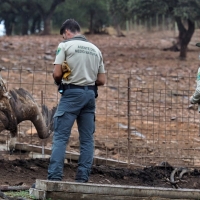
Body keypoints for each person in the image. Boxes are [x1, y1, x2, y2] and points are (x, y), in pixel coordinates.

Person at [47, 19, 106, 183]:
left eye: (64, 36)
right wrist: (87, 80)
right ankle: (82, 179)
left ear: (66, 32)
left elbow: (57, 74)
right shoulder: (96, 49)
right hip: (90, 97)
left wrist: (66, 81)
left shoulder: (64, 46)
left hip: (71, 94)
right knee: (87, 139)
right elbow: (102, 80)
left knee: (60, 137)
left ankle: (54, 178)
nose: (64, 38)